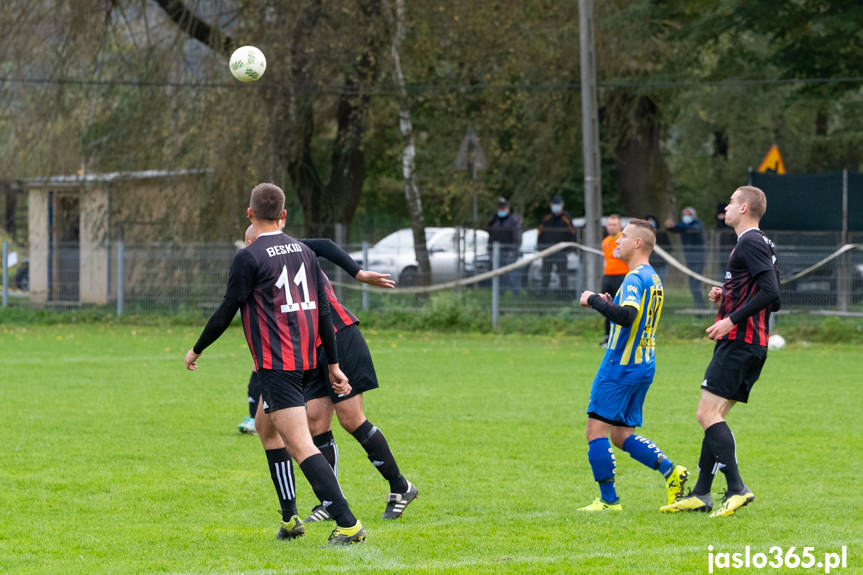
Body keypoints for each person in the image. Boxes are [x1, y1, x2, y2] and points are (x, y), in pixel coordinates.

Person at [184, 182, 365, 546]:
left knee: (301, 445)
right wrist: (332, 364)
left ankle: (348, 525)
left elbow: (226, 310)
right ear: (283, 215)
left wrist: (197, 348)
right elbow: (324, 310)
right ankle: (290, 519)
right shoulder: (304, 251)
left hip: (278, 364)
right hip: (306, 357)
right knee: (267, 431)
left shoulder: (249, 256)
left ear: (249, 213)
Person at [243, 224, 418, 525]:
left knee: (351, 419)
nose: (250, 250)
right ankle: (331, 502)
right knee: (314, 421)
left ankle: (400, 487)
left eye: (251, 243)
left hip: (340, 336)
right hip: (312, 347)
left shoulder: (289, 251)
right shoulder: (260, 265)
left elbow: (323, 242)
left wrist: (358, 273)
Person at [660, 186, 780, 518]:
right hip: (752, 343)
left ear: (744, 208)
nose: (724, 207)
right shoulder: (764, 243)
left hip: (739, 342)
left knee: (706, 415)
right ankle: (701, 493)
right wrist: (727, 297)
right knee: (715, 417)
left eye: (730, 202)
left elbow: (770, 292)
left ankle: (738, 487)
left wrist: (730, 319)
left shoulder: (750, 242)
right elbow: (774, 297)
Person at [577, 219, 688, 511]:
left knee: (595, 431)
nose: (617, 241)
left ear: (638, 243)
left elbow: (627, 316)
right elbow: (632, 316)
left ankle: (609, 501)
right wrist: (609, 304)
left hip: (620, 366)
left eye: (623, 236)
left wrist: (592, 300)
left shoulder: (634, 278)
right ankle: (672, 472)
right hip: (643, 365)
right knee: (621, 434)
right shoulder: (652, 278)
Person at [665, 207, 707, 308]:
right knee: (693, 286)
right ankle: (700, 306)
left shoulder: (698, 224)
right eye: (684, 215)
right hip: (689, 260)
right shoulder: (683, 227)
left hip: (699, 260)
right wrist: (669, 226)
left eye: (688, 214)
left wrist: (676, 226)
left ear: (693, 215)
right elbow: (675, 229)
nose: (685, 217)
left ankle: (700, 307)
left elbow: (692, 229)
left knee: (694, 286)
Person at [537, 196, 577, 297]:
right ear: (551, 205)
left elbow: (573, 233)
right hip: (548, 251)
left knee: (563, 275)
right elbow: (540, 234)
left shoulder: (566, 218)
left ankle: (564, 297)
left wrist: (569, 248)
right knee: (545, 275)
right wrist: (541, 248)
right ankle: (542, 296)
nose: (556, 207)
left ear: (562, 205)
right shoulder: (546, 219)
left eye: (558, 205)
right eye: (554, 205)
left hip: (561, 251)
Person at [600, 215, 629, 346]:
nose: (612, 227)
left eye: (614, 225)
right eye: (610, 225)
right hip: (608, 277)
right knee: (606, 306)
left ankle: (621, 337)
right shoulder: (605, 242)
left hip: (621, 276)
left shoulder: (623, 240)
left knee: (619, 306)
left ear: (620, 227)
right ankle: (607, 337)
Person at [486, 197, 523, 298]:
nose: (501, 211)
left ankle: (516, 295)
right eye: (500, 209)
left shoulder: (513, 222)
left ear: (508, 209)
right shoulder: (494, 221)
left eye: (503, 209)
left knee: (512, 274)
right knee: (500, 275)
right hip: (498, 253)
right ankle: (500, 295)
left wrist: (514, 251)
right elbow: (491, 237)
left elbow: (517, 238)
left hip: (510, 252)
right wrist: (490, 251)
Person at [645, 215, 671, 283]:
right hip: (649, 265)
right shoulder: (643, 237)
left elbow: (669, 248)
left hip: (661, 264)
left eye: (652, 223)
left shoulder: (663, 235)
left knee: (659, 283)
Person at [715, 203, 737, 280]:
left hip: (731, 254)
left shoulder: (732, 226)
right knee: (722, 275)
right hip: (722, 254)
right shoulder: (719, 226)